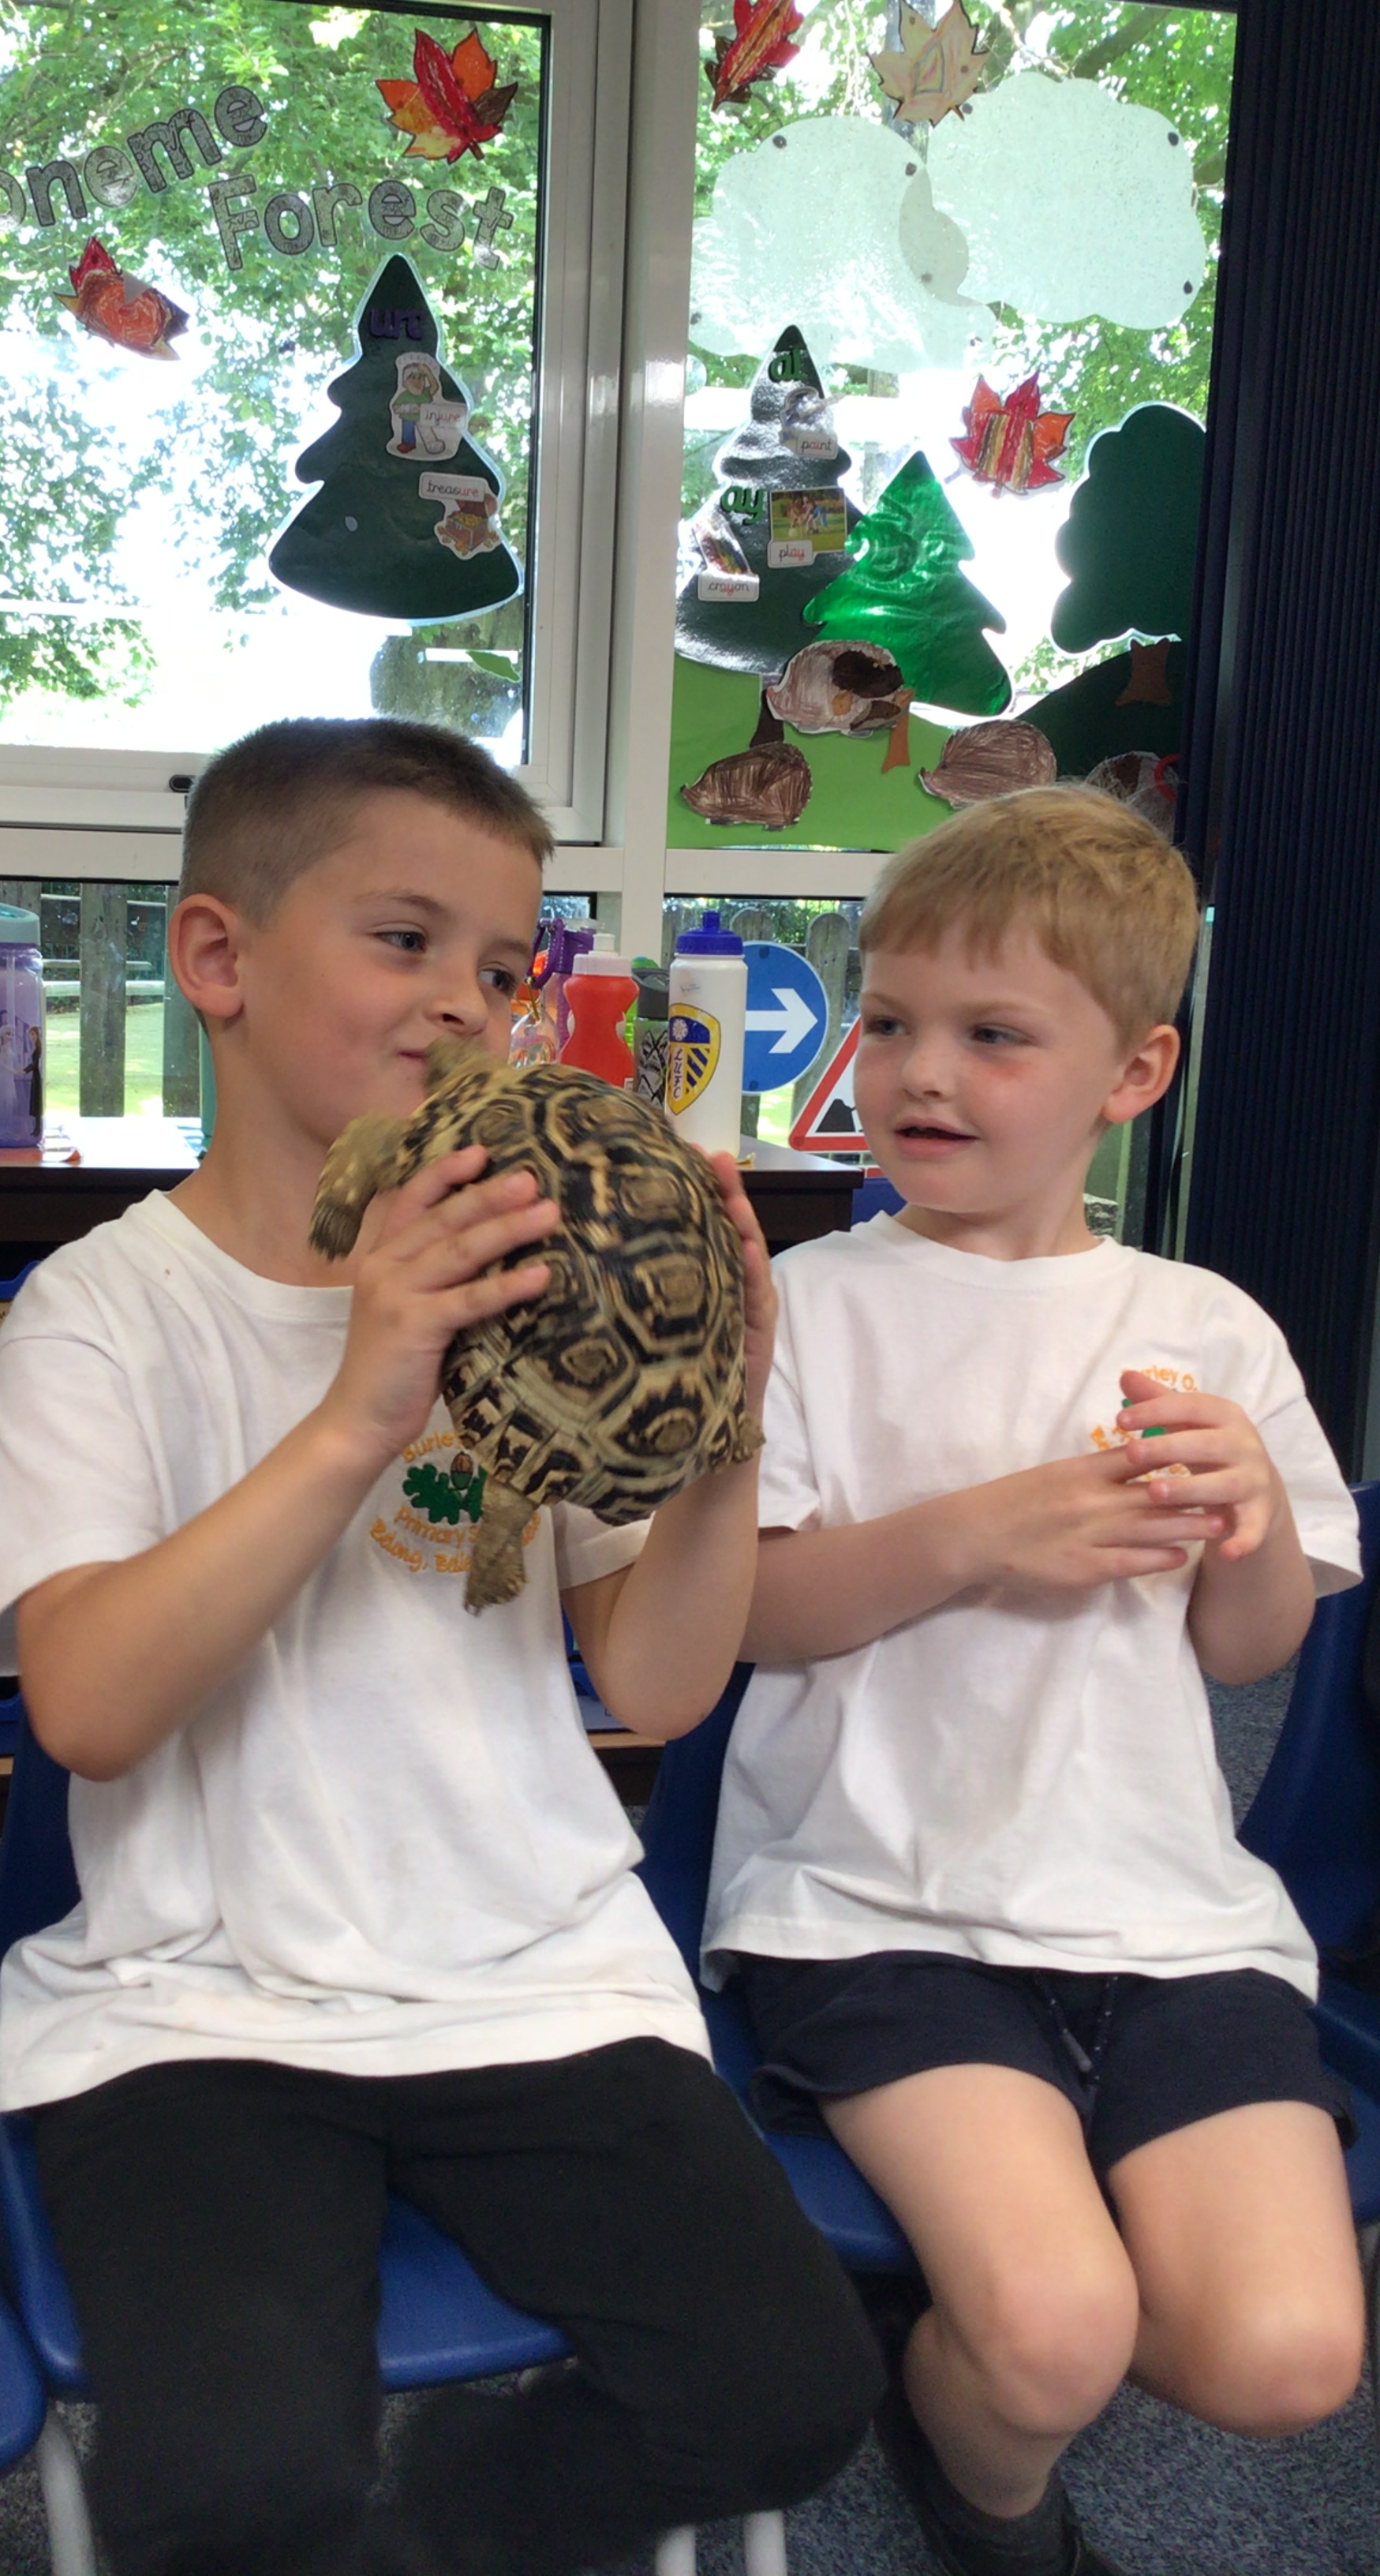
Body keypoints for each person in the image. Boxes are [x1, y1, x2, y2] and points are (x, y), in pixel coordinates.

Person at [0, 715, 882, 2576]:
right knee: (230, 2487)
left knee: (790, 2394)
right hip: (196, 2003)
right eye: (405, 940)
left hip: (529, 1969)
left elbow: (657, 1685)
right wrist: (358, 1406)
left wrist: (726, 1416)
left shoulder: (531, 1275)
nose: (467, 1002)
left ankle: (432, 2529)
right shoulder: (101, 1313)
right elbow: (88, 1706)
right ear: (216, 959)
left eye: (504, 966)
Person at [703, 785, 1366, 2576]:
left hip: (1164, 1909)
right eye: (890, 1022)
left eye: (993, 1036)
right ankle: (984, 2481)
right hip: (875, 1903)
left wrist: (1250, 1526)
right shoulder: (806, 1308)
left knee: (1288, 2357)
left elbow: (1250, 1651)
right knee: (1057, 2331)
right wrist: (982, 1533)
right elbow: (751, 1617)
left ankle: (960, 2326)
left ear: (1133, 1073)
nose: (920, 1073)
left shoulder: (1209, 1327)